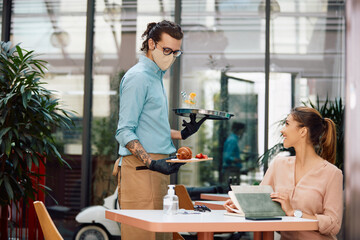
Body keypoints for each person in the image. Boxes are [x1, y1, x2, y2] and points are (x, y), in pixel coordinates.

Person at [114, 20, 207, 240]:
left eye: (176, 52)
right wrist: (152, 163)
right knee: (141, 236)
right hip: (140, 169)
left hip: (157, 167)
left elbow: (152, 129)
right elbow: (124, 131)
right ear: (151, 44)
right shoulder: (138, 78)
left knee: (160, 236)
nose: (171, 57)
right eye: (167, 50)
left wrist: (182, 134)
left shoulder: (155, 77)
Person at [224, 106, 343, 240]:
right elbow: (259, 200)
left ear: (303, 131)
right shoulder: (279, 165)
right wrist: (239, 205)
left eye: (287, 124)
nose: (282, 130)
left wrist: (294, 212)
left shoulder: (332, 174)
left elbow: (334, 224)